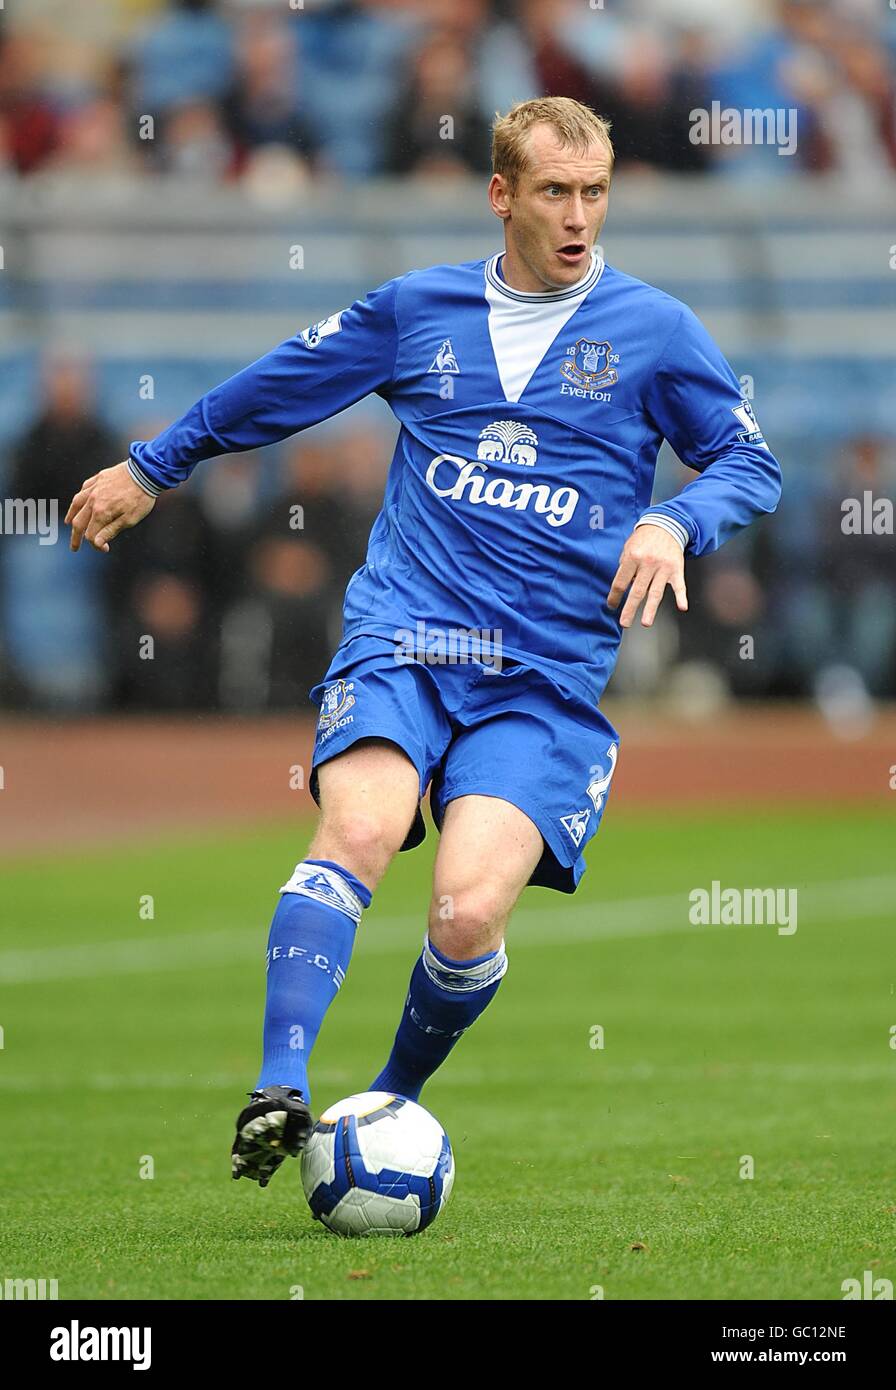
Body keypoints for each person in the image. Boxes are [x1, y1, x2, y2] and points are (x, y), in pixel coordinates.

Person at [65, 96, 782, 1189]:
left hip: (541, 680)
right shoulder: (419, 310)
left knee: (464, 909)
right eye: (553, 191)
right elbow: (279, 386)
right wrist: (151, 464)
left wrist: (672, 516)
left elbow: (748, 461)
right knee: (358, 824)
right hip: (405, 633)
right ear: (501, 196)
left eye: (593, 192)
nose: (578, 214)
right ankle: (279, 1085)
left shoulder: (656, 332)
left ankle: (387, 1104)